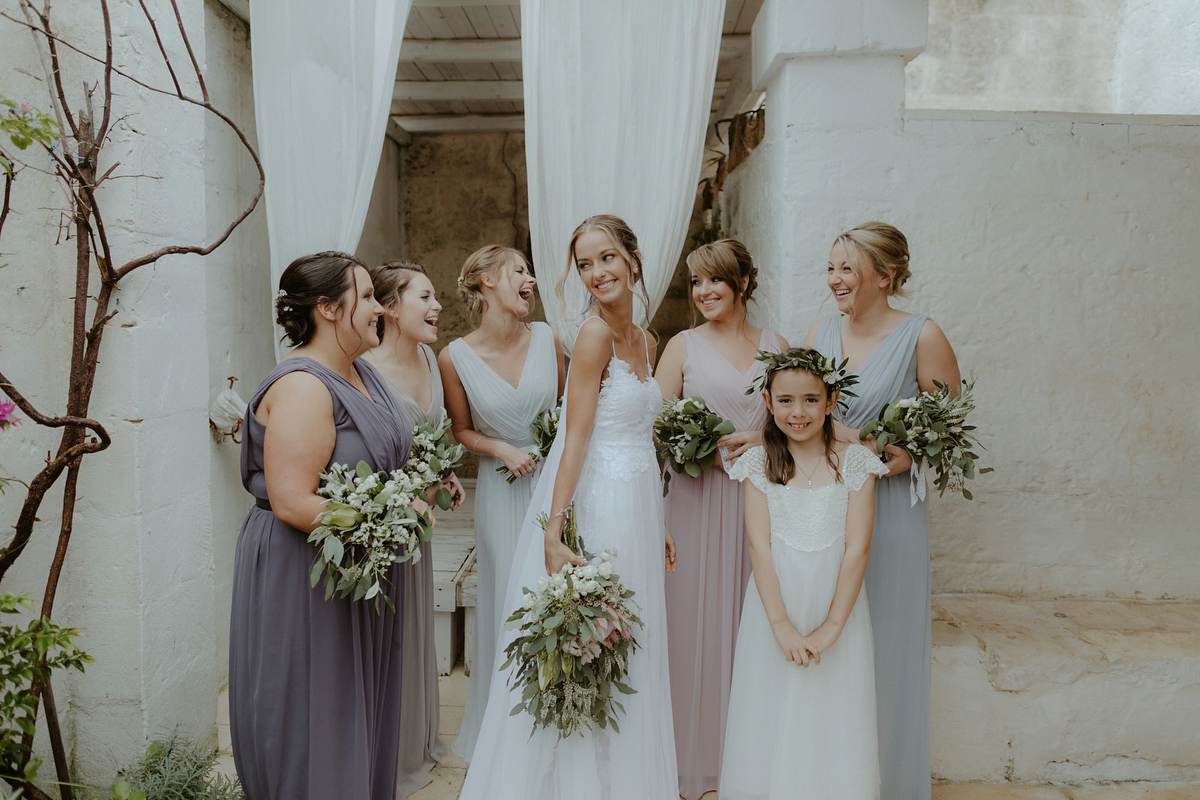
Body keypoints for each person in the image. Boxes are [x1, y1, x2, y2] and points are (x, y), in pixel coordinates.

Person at [458, 215, 679, 799]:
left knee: (630, 642)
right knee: (595, 642)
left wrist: (660, 518)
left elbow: (642, 433)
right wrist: (555, 531)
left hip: (636, 505)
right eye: (585, 263)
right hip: (599, 503)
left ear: (633, 257)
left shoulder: (646, 340)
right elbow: (575, 435)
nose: (597, 272)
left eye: (607, 257)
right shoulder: (593, 336)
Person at [228, 251, 416, 800]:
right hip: (303, 571)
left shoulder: (361, 373)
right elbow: (290, 501)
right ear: (331, 309)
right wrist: (390, 516)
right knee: (314, 711)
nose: (380, 308)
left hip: (351, 566)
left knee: (353, 704)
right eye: (367, 298)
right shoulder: (305, 387)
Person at [805, 221, 960, 800]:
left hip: (890, 508)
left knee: (885, 641)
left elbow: (945, 431)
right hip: (822, 503)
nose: (835, 279)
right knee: (830, 632)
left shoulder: (922, 336)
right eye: (831, 267)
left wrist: (897, 454)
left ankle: (887, 783)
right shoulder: (820, 331)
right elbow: (795, 406)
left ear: (885, 275)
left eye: (847, 268)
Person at [720, 348, 887, 799]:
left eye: (811, 400)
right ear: (769, 404)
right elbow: (758, 544)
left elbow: (858, 547)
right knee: (773, 705)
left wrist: (833, 625)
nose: (799, 412)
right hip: (776, 604)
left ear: (831, 401)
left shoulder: (856, 463)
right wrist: (781, 625)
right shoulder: (758, 465)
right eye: (786, 401)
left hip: (838, 604)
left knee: (832, 708)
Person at [653, 239, 787, 799]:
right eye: (696, 283)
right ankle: (689, 764)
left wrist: (760, 434)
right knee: (687, 626)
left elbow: (797, 417)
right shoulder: (681, 347)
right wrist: (694, 450)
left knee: (748, 624)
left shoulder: (777, 346)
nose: (704, 292)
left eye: (716, 281)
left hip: (758, 501)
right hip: (692, 497)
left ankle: (746, 762)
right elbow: (654, 429)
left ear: (743, 284)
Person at [438, 245, 565, 761]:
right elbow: (461, 430)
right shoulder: (454, 357)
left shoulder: (548, 340)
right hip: (500, 487)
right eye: (519, 270)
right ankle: (506, 737)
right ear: (487, 281)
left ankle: (557, 724)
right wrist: (500, 448)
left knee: (555, 599)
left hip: (552, 486)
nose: (530, 279)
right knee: (507, 607)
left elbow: (564, 415)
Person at [362, 260, 463, 798]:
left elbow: (428, 435)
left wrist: (439, 472)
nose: (437, 306)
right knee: (383, 631)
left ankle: (413, 741)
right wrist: (406, 494)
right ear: (390, 307)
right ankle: (383, 750)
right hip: (381, 522)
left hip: (419, 526)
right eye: (424, 296)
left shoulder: (428, 357)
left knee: (413, 630)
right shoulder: (363, 369)